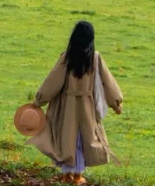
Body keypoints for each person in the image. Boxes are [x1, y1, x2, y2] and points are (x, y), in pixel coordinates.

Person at [27, 20, 122, 177]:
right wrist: (116, 104)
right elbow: (108, 83)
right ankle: (78, 175)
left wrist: (39, 100)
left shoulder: (67, 58)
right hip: (87, 106)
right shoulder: (95, 58)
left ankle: (67, 174)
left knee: (67, 138)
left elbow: (53, 81)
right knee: (84, 137)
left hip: (67, 106)